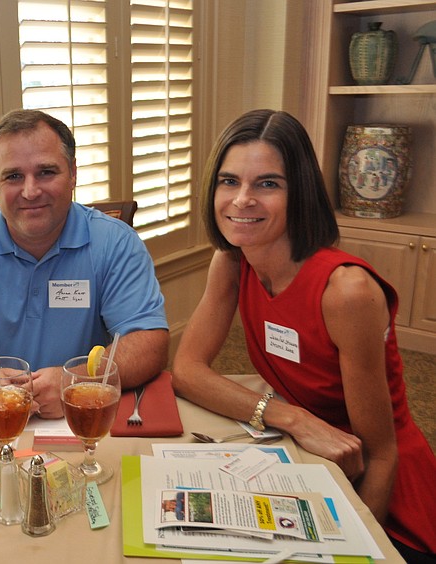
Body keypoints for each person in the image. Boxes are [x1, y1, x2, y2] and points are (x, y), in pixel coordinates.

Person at [172, 109, 436, 562]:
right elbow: (186, 370)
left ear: (301, 193)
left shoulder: (346, 291)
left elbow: (382, 454)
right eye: (229, 181)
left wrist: (359, 550)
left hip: (384, 490)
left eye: (268, 184)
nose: (242, 200)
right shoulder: (233, 263)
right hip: (305, 451)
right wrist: (291, 418)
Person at [0, 109, 169, 418]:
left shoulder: (116, 242)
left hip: (83, 413)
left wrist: (79, 384)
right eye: (13, 176)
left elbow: (149, 342)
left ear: (73, 173)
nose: (30, 191)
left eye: (46, 172)